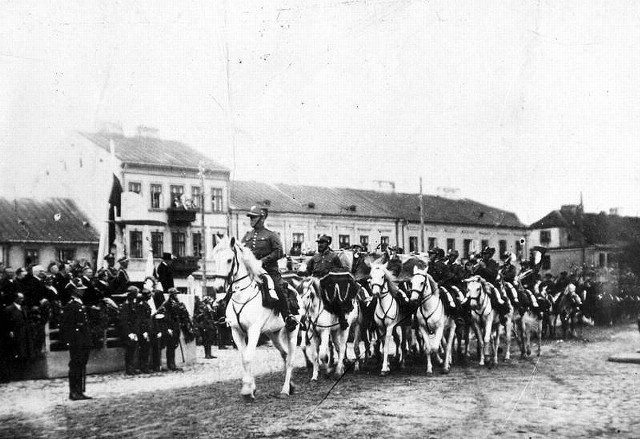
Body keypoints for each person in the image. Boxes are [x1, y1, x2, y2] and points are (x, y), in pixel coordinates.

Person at [219, 206, 298, 332]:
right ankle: (225, 316)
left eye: (253, 217)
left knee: (277, 287)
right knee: (232, 288)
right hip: (252, 272)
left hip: (269, 270)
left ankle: (288, 315)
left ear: (261, 218)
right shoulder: (247, 236)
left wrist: (262, 261)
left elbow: (279, 252)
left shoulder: (271, 235)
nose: (251, 219)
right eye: (250, 217)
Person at [298, 234, 349, 329]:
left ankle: (342, 320)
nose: (319, 245)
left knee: (336, 297)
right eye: (318, 243)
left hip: (328, 282)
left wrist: (331, 274)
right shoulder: (315, 257)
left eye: (322, 243)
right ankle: (303, 321)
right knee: (304, 295)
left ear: (327, 244)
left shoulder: (334, 256)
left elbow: (340, 270)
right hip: (315, 281)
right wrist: (302, 273)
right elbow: (309, 270)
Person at [60, 278, 93, 400]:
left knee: (81, 365)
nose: (83, 291)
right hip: (76, 341)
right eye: (80, 289)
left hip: (83, 340)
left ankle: (79, 391)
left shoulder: (79, 304)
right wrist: (70, 341)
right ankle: (73, 391)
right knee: (75, 365)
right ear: (74, 291)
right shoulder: (71, 306)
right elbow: (67, 325)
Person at [119, 286, 140, 375]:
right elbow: (124, 321)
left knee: (133, 350)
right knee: (129, 351)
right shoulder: (126, 305)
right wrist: (129, 333)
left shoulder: (133, 304)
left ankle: (132, 367)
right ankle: (129, 369)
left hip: (134, 330)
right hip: (129, 332)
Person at [136, 288, 153, 373]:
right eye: (149, 294)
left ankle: (144, 366)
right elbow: (141, 319)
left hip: (147, 329)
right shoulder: (142, 305)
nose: (150, 296)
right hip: (144, 331)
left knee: (146, 349)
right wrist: (144, 331)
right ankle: (143, 367)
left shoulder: (145, 304)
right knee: (144, 349)